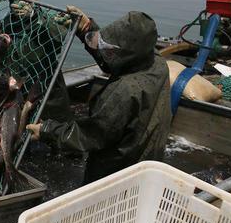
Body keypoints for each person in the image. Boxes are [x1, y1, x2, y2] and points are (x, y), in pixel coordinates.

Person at [26, 11, 172, 184]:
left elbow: (91, 135)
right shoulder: (156, 62)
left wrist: (46, 130)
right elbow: (119, 59)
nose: (108, 54)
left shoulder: (123, 91)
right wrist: (86, 28)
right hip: (147, 157)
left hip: (118, 170)